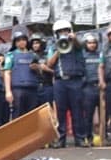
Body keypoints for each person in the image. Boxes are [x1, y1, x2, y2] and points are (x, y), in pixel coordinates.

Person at [46, 20, 87, 148]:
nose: (63, 33)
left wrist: (73, 40)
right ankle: (61, 139)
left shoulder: (76, 45)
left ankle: (79, 138)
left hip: (75, 80)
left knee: (77, 111)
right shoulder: (53, 46)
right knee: (61, 111)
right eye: (60, 32)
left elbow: (81, 46)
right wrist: (59, 49)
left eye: (66, 31)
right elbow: (49, 64)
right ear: (56, 34)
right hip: (60, 82)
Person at [4, 30, 41, 120]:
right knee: (18, 115)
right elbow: (7, 73)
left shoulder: (33, 55)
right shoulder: (11, 55)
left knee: (32, 116)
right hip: (18, 90)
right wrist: (8, 91)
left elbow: (40, 73)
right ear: (15, 43)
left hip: (32, 89)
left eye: (23, 40)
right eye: (18, 40)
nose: (21, 42)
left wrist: (37, 68)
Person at [80, 32, 102, 146]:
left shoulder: (100, 55)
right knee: (88, 115)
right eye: (89, 43)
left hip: (101, 87)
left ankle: (104, 135)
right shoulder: (82, 56)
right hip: (88, 88)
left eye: (94, 43)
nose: (92, 45)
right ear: (85, 44)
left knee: (104, 114)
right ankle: (88, 137)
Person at [32, 33, 55, 112]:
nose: (35, 45)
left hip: (47, 87)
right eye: (33, 43)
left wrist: (47, 69)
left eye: (37, 43)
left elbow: (56, 72)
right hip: (33, 88)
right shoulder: (29, 56)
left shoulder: (48, 55)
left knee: (48, 111)